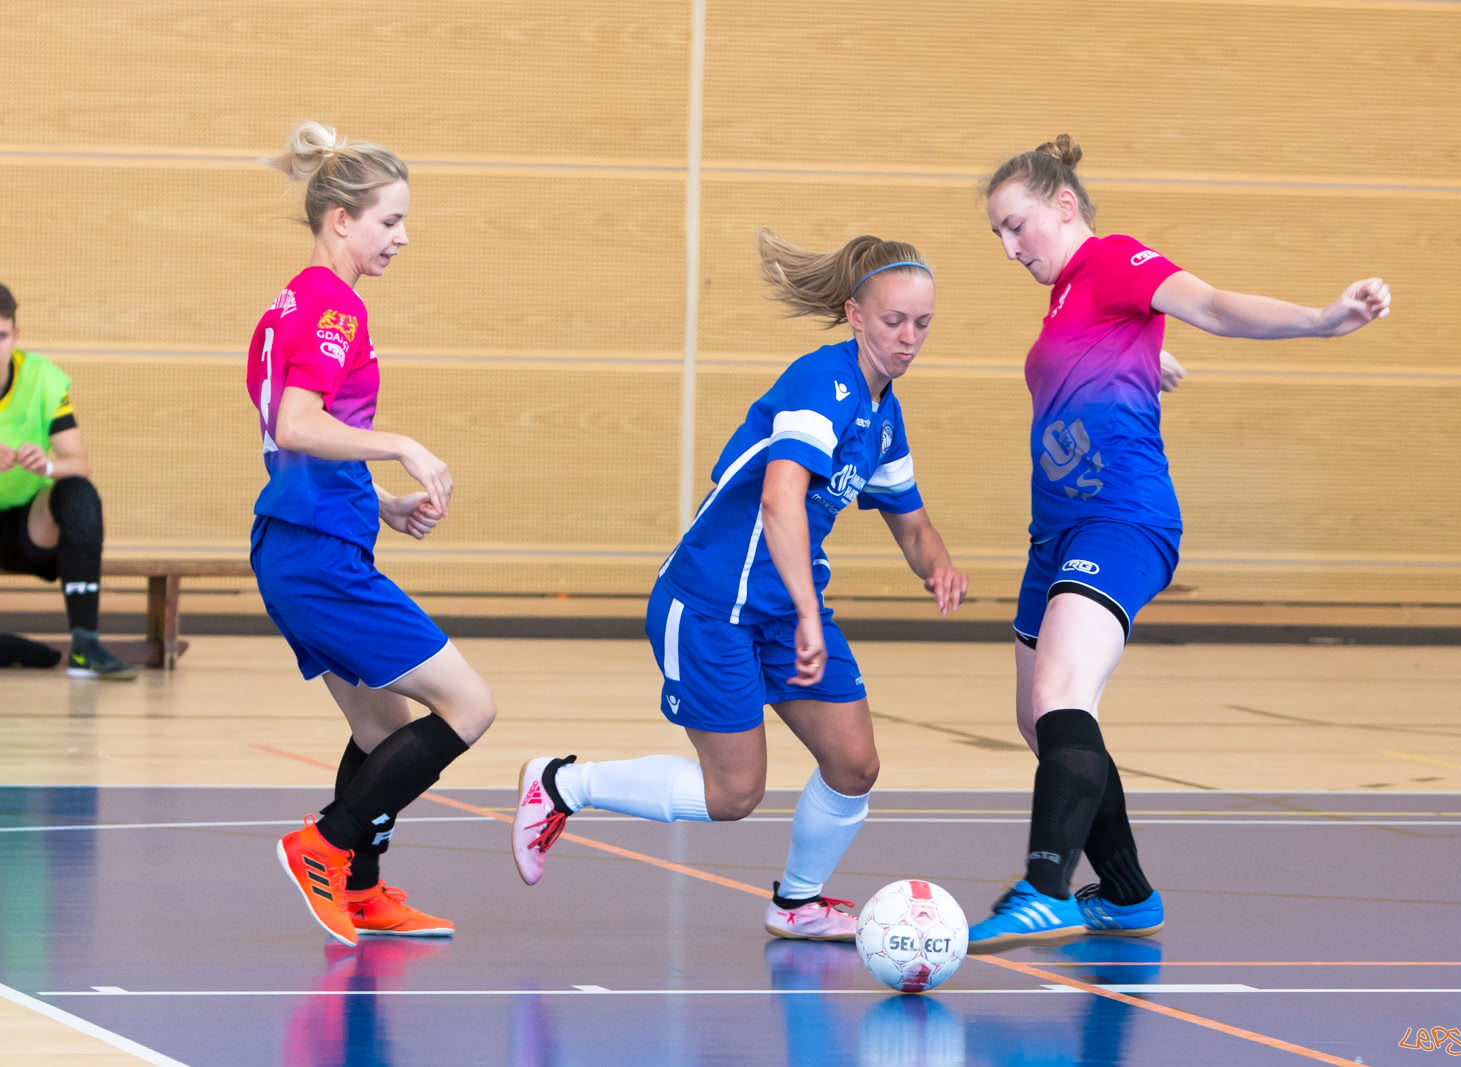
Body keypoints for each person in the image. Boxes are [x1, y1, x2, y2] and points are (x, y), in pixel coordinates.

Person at [967, 133, 1391, 952]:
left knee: (1060, 690)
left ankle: (1045, 887)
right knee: (1041, 717)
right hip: (1053, 530)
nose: (1011, 248)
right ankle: (1125, 894)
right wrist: (1143, 360)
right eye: (998, 236)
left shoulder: (1116, 259)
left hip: (1120, 519)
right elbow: (1095, 359)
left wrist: (1321, 320)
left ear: (1064, 206)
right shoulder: (1067, 299)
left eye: (1017, 226)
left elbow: (1215, 305)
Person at [512, 230, 969, 940]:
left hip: (784, 606)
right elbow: (779, 499)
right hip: (712, 604)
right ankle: (563, 784)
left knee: (853, 763)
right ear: (854, 314)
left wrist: (937, 562)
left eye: (923, 324)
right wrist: (812, 616)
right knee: (734, 793)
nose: (909, 338)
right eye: (893, 321)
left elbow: (913, 524)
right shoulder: (825, 383)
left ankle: (798, 902)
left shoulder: (883, 414)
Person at [249, 121, 498, 947]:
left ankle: (361, 888)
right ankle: (327, 843)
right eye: (389, 220)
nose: (402, 237)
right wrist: (401, 441)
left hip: (306, 539)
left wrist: (382, 504)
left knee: (383, 730)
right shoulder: (330, 302)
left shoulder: (290, 302)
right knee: (468, 704)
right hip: (316, 555)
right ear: (340, 220)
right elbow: (296, 424)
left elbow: (303, 444)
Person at [0, 284, 136, 680]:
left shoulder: (42, 379)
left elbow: (78, 463)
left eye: (2, 336)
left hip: (28, 529)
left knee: (79, 494)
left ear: (16, 336)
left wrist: (45, 466)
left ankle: (84, 643)